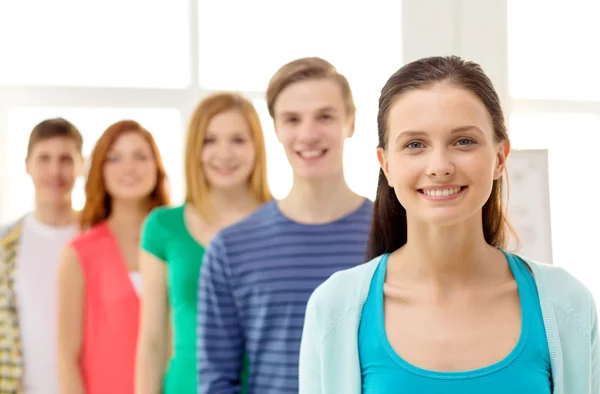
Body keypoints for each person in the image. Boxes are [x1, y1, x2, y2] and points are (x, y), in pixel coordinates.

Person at [298, 55, 599, 394]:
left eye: (463, 141)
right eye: (415, 145)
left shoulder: (567, 304)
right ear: (386, 165)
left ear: (500, 158)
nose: (440, 166)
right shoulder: (334, 308)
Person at [196, 57, 374, 394]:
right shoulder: (230, 248)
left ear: (350, 122)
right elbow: (217, 382)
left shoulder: (396, 234)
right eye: (292, 119)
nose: (308, 134)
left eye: (325, 116)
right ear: (276, 128)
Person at [135, 92, 272, 394]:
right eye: (210, 140)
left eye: (238, 140)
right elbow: (153, 340)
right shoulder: (162, 227)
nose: (224, 153)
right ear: (195, 149)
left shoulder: (284, 222)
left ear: (257, 148)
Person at [56, 120, 170, 394]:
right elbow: (66, 361)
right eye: (115, 158)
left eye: (140, 156)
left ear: (157, 167)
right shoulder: (79, 253)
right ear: (100, 171)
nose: (128, 168)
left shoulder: (177, 242)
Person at [0, 118, 83, 394]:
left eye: (65, 159)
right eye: (44, 158)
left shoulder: (97, 238)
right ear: (27, 165)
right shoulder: (6, 245)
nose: (55, 171)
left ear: (81, 165)